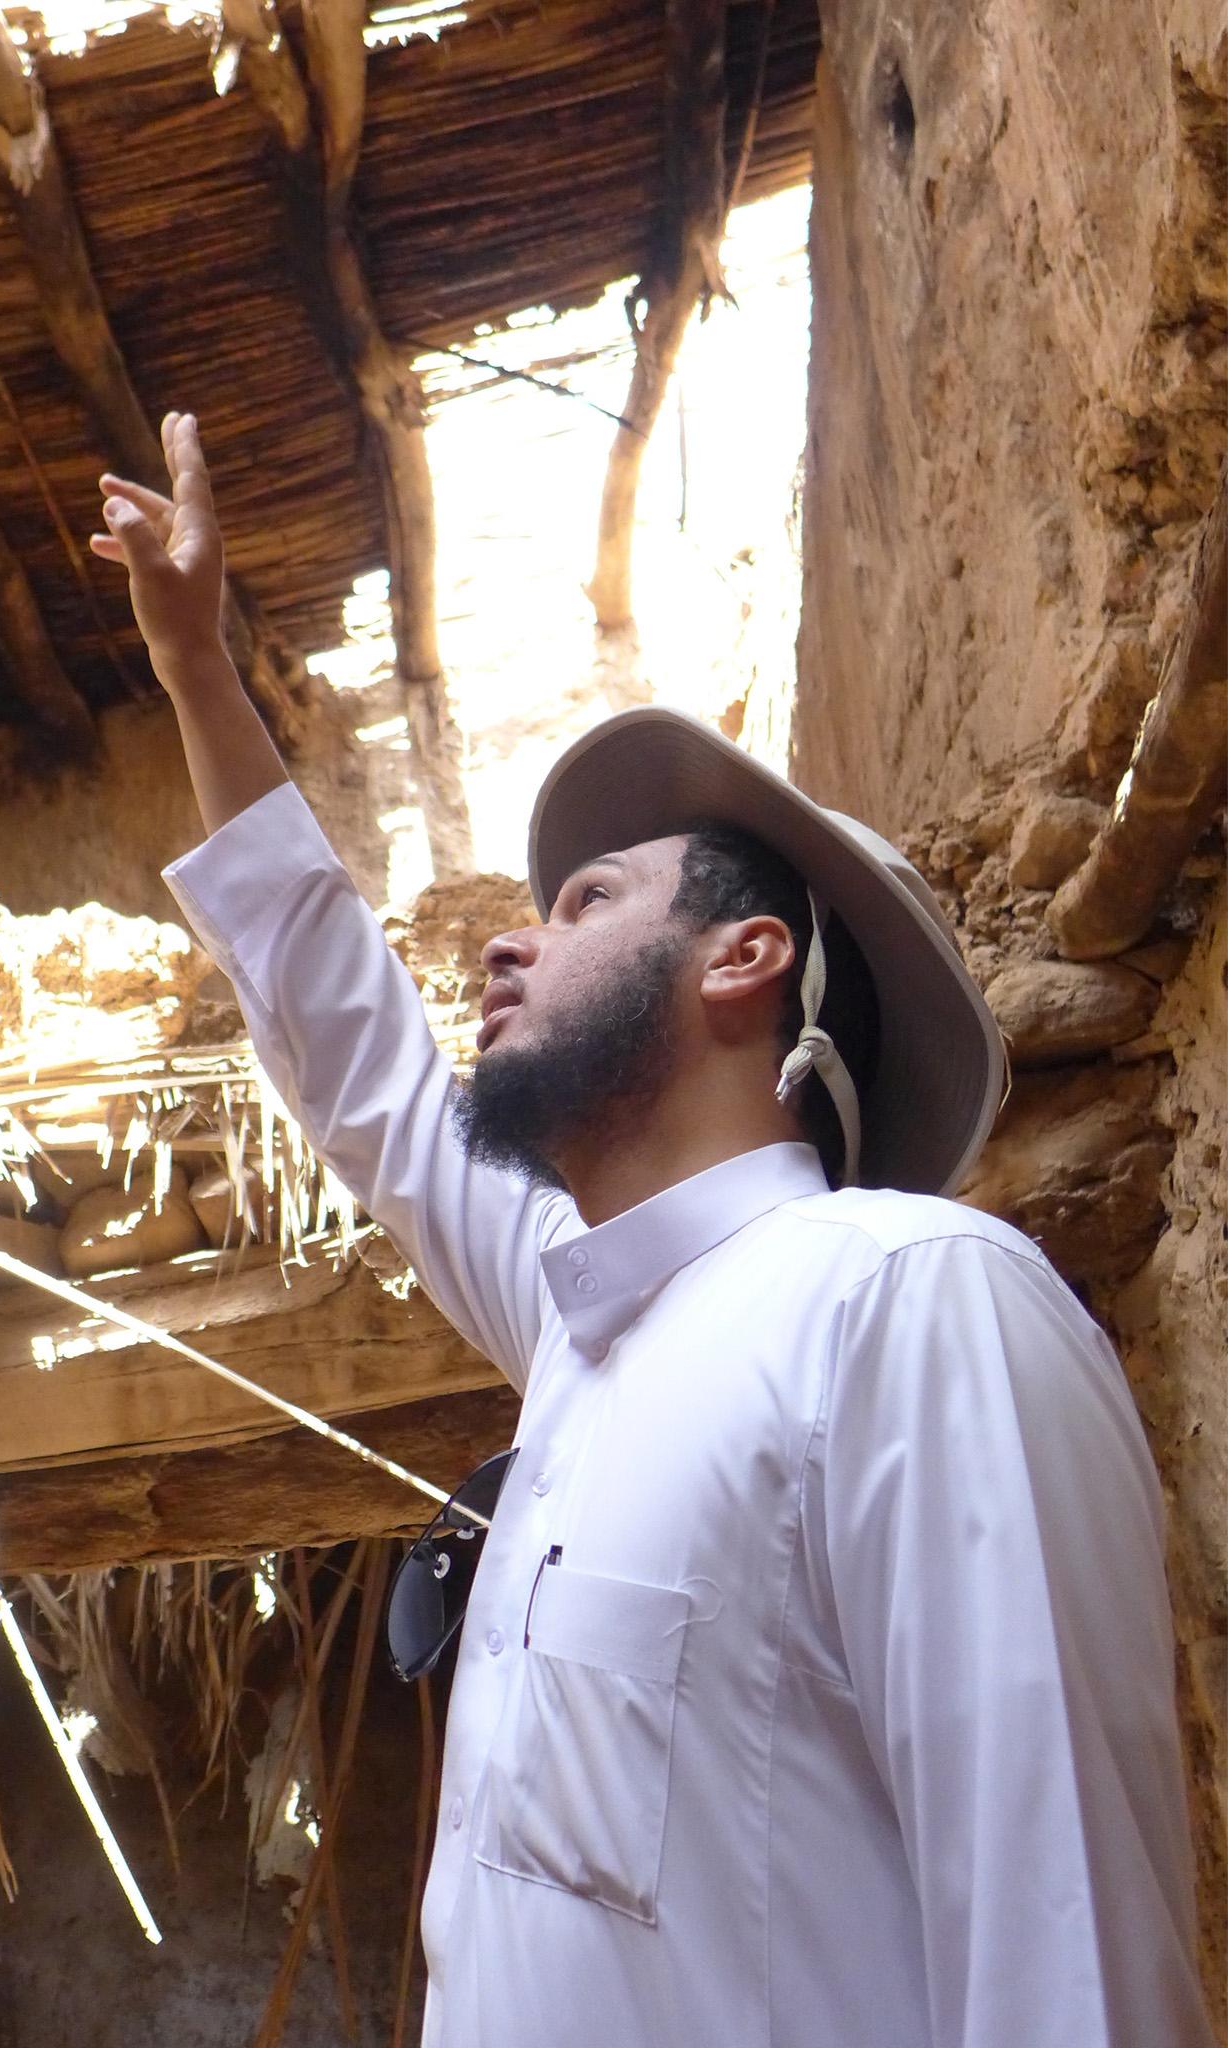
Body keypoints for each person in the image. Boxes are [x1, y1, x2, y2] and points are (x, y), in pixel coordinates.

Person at [93, 414, 1211, 2048]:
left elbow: (1066, 1968)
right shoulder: (578, 1336)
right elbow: (366, 1069)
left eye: (585, 904)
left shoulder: (908, 1305)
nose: (501, 952)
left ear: (746, 959)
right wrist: (197, 669)